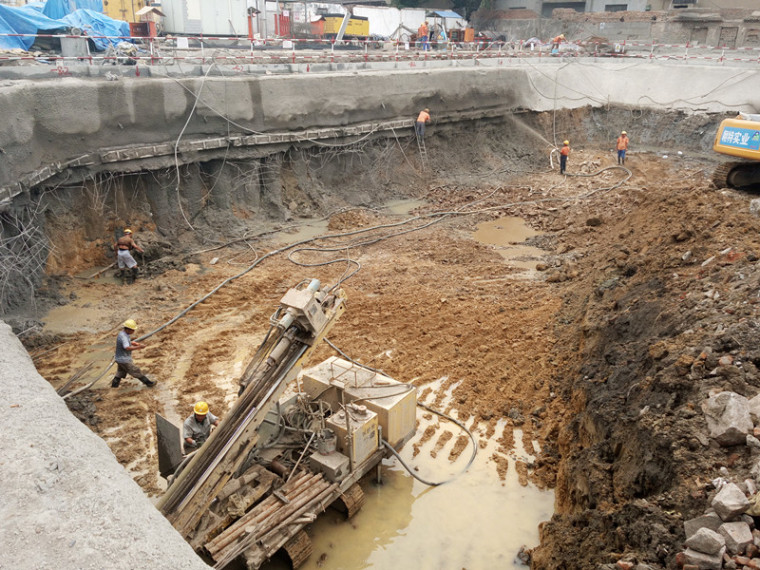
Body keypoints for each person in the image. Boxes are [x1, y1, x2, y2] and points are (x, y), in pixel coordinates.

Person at [111, 319, 156, 388]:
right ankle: (149, 383)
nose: (134, 331)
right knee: (136, 371)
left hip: (119, 358)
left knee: (120, 373)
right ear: (128, 329)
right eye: (133, 330)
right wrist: (139, 347)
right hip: (124, 360)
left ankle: (113, 387)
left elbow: (127, 342)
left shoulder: (123, 333)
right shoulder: (124, 336)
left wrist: (134, 343)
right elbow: (127, 347)